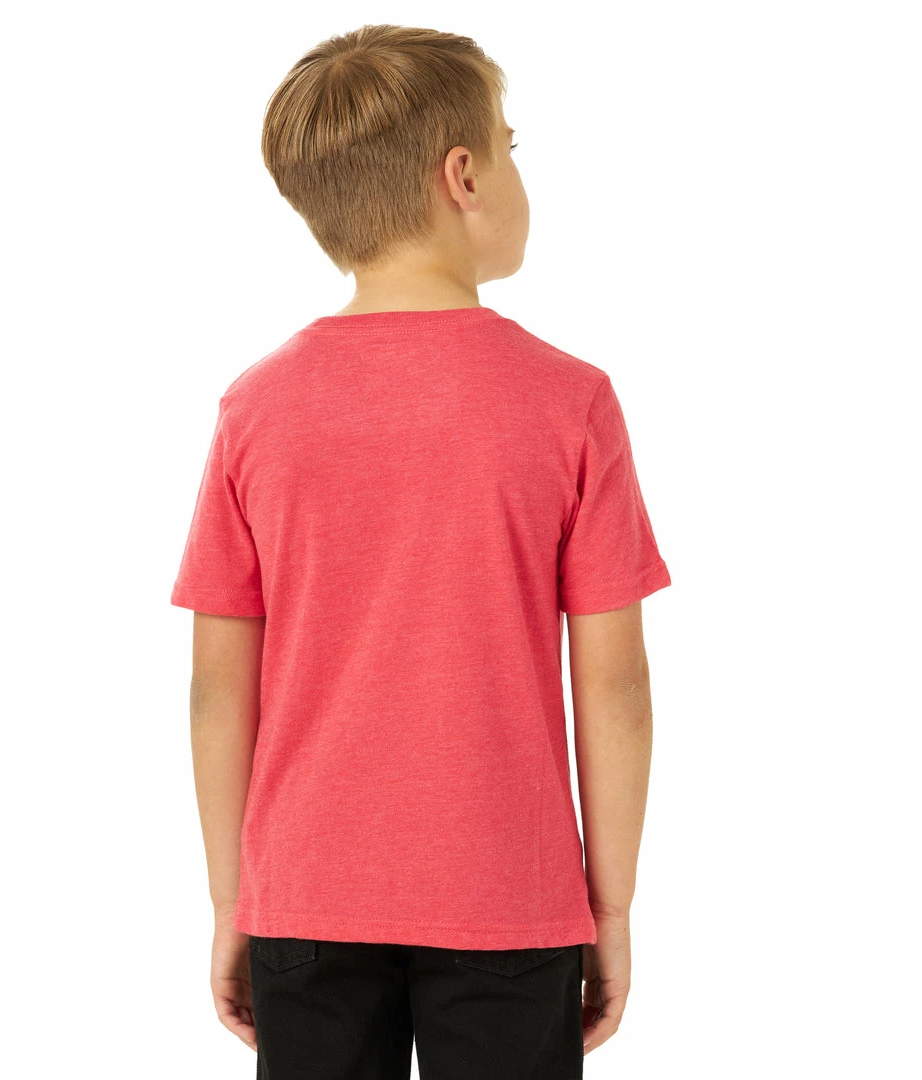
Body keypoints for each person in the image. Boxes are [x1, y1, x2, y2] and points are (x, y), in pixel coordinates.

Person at [170, 23, 671, 1080]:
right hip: (511, 898)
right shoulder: (571, 403)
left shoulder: (255, 409)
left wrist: (232, 900)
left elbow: (218, 688)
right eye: (511, 145)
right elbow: (615, 684)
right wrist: (612, 903)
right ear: (464, 177)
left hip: (305, 898)